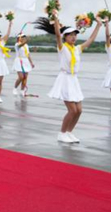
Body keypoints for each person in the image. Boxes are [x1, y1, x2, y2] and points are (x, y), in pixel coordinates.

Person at [35, 12, 102, 143]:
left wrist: (98, 26)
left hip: (74, 80)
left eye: (75, 34)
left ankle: (69, 132)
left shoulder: (77, 49)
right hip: (65, 79)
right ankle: (62, 133)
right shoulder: (62, 48)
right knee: (72, 110)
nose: (73, 37)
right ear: (65, 36)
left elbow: (90, 40)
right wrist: (55, 19)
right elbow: (58, 36)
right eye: (70, 35)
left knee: (79, 110)